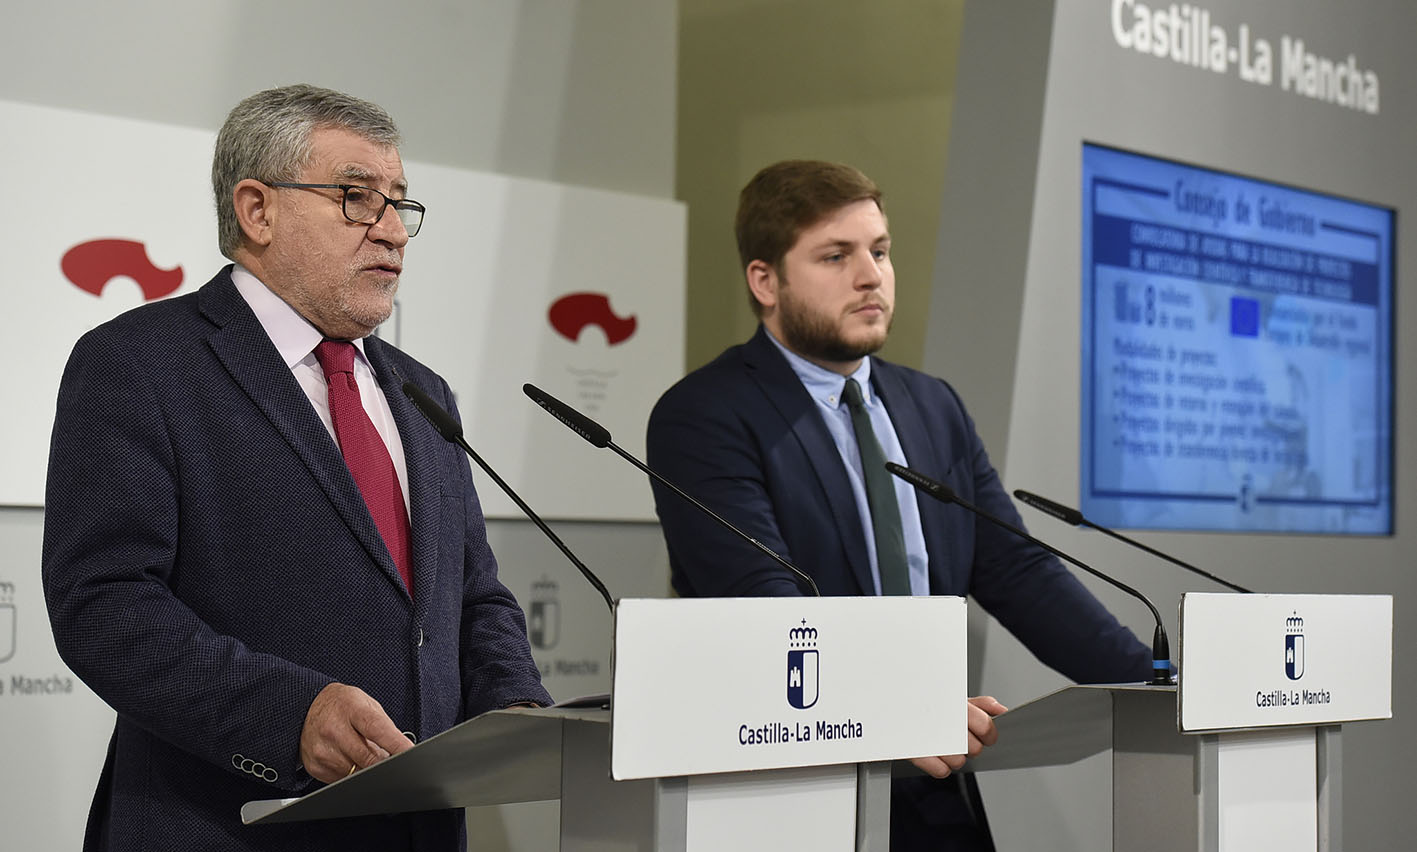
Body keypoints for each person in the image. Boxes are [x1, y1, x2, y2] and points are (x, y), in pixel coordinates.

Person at [41, 84, 550, 851]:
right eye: (355, 197)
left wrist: (515, 708)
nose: (393, 232)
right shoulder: (140, 365)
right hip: (228, 827)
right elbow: (103, 605)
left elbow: (473, 594)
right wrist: (292, 715)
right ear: (257, 209)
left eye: (399, 204)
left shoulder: (422, 393)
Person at [645, 160, 1153, 851]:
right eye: (836, 256)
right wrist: (895, 706)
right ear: (764, 280)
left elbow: (1015, 571)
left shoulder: (930, 405)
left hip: (931, 784)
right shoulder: (704, 414)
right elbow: (763, 601)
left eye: (879, 252)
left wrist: (1155, 687)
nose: (870, 276)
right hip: (792, 786)